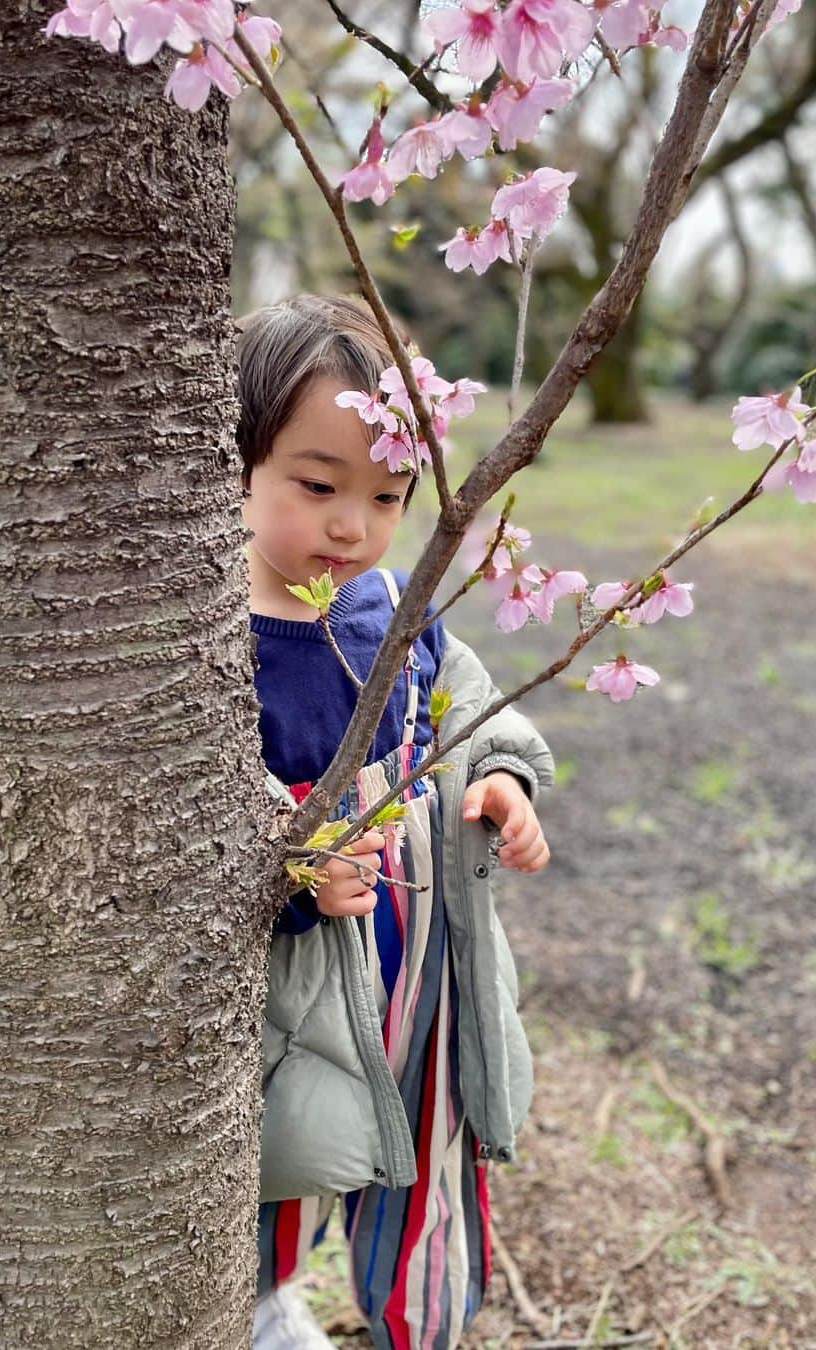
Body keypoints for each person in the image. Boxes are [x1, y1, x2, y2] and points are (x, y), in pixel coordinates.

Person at [239, 294, 554, 1350]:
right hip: (299, 984)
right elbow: (197, 815)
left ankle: (414, 1327)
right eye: (318, 485)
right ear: (231, 467)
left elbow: (462, 698)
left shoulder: (390, 603)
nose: (352, 525)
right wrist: (290, 869)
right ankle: (256, 1307)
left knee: (426, 1157)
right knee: (277, 1152)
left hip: (421, 964)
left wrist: (499, 777)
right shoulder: (211, 642)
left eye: (388, 494)